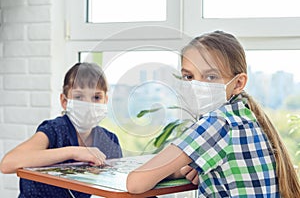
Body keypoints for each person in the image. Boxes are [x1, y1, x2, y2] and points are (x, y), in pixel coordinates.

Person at [126, 31, 300, 197]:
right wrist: (185, 169)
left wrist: (168, 172)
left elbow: (136, 183)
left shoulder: (218, 122)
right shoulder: (246, 116)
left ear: (238, 83)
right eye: (188, 77)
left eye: (210, 77)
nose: (196, 85)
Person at [0, 62, 122, 198]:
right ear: (64, 101)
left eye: (96, 97)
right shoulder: (54, 130)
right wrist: (73, 152)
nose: (88, 104)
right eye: (78, 97)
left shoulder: (110, 141)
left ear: (106, 100)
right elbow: (8, 163)